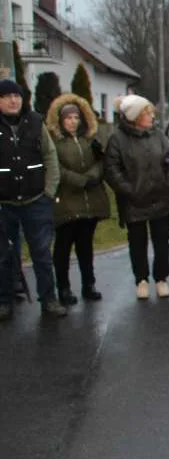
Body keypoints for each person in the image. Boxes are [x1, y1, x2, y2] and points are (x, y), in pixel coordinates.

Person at [0, 80, 67, 320]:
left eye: (16, 96)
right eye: (7, 96)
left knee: (41, 254)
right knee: (4, 256)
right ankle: (5, 302)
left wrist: (49, 192)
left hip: (36, 201)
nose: (13, 100)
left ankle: (48, 299)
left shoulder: (36, 123)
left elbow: (50, 158)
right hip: (4, 204)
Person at [104, 95, 169, 301]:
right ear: (134, 116)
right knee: (137, 242)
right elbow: (112, 170)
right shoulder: (117, 139)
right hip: (134, 200)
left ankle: (162, 278)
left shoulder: (158, 134)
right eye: (146, 112)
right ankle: (142, 280)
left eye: (150, 112)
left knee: (162, 240)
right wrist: (129, 190)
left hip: (161, 196)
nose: (151, 116)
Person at [46, 94, 111, 306]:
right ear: (61, 120)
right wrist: (78, 179)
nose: (73, 121)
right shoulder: (55, 142)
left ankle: (88, 283)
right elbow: (55, 167)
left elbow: (102, 160)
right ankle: (63, 288)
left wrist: (93, 175)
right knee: (63, 247)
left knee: (85, 246)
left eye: (76, 117)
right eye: (68, 118)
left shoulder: (89, 140)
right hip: (66, 199)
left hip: (89, 200)